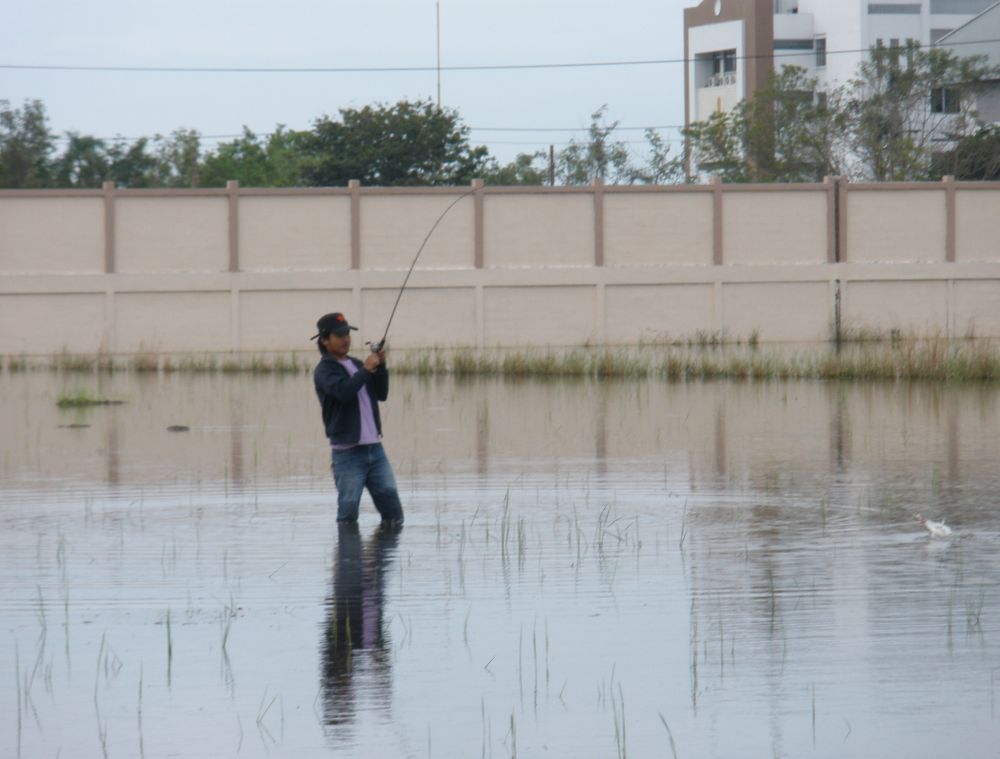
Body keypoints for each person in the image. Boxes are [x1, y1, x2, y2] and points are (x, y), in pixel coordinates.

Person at [312, 312, 404, 525]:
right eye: (339, 335)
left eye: (347, 334)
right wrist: (366, 369)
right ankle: (348, 558)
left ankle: (383, 557)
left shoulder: (356, 364)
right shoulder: (324, 370)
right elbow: (344, 392)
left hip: (375, 450)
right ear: (325, 340)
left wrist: (380, 366)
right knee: (348, 516)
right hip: (348, 454)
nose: (346, 339)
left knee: (394, 515)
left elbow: (381, 394)